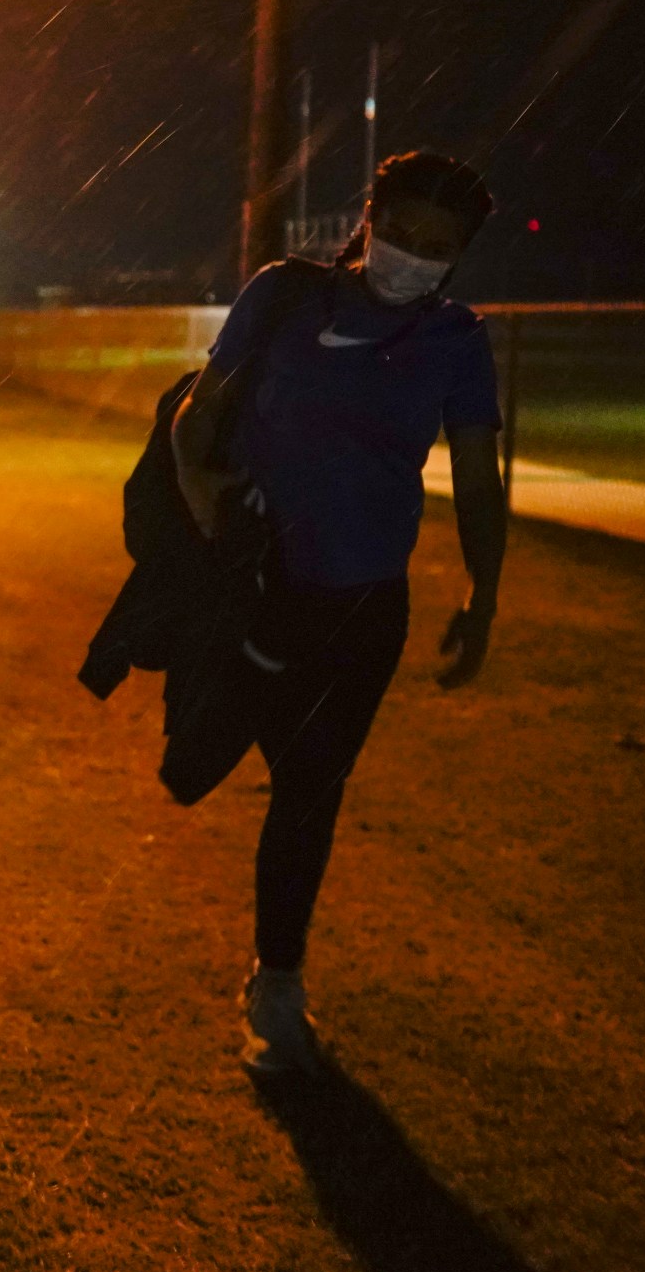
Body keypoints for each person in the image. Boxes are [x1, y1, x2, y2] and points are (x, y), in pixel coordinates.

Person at [166, 151, 507, 1075]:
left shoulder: (458, 341)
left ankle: (276, 987)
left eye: (437, 247)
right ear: (368, 218)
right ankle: (273, 971)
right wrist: (207, 502)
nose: (412, 256)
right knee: (191, 768)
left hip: (362, 608)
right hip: (256, 592)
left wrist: (482, 593)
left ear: (461, 256)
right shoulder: (286, 297)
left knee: (308, 790)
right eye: (398, 232)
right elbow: (198, 416)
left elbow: (477, 477)